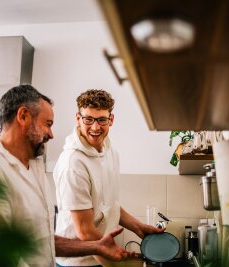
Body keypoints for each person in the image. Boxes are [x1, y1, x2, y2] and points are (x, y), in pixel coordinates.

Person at [0, 85, 131, 267]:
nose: (51, 134)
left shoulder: (34, 167)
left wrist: (96, 246)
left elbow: (42, 241)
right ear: (23, 116)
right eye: (47, 124)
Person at [54, 89, 163, 267]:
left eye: (102, 120)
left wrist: (138, 227)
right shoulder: (73, 162)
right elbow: (85, 231)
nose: (95, 127)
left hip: (100, 257)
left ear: (111, 120)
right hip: (77, 263)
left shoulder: (110, 152)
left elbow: (109, 205)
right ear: (78, 118)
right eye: (88, 119)